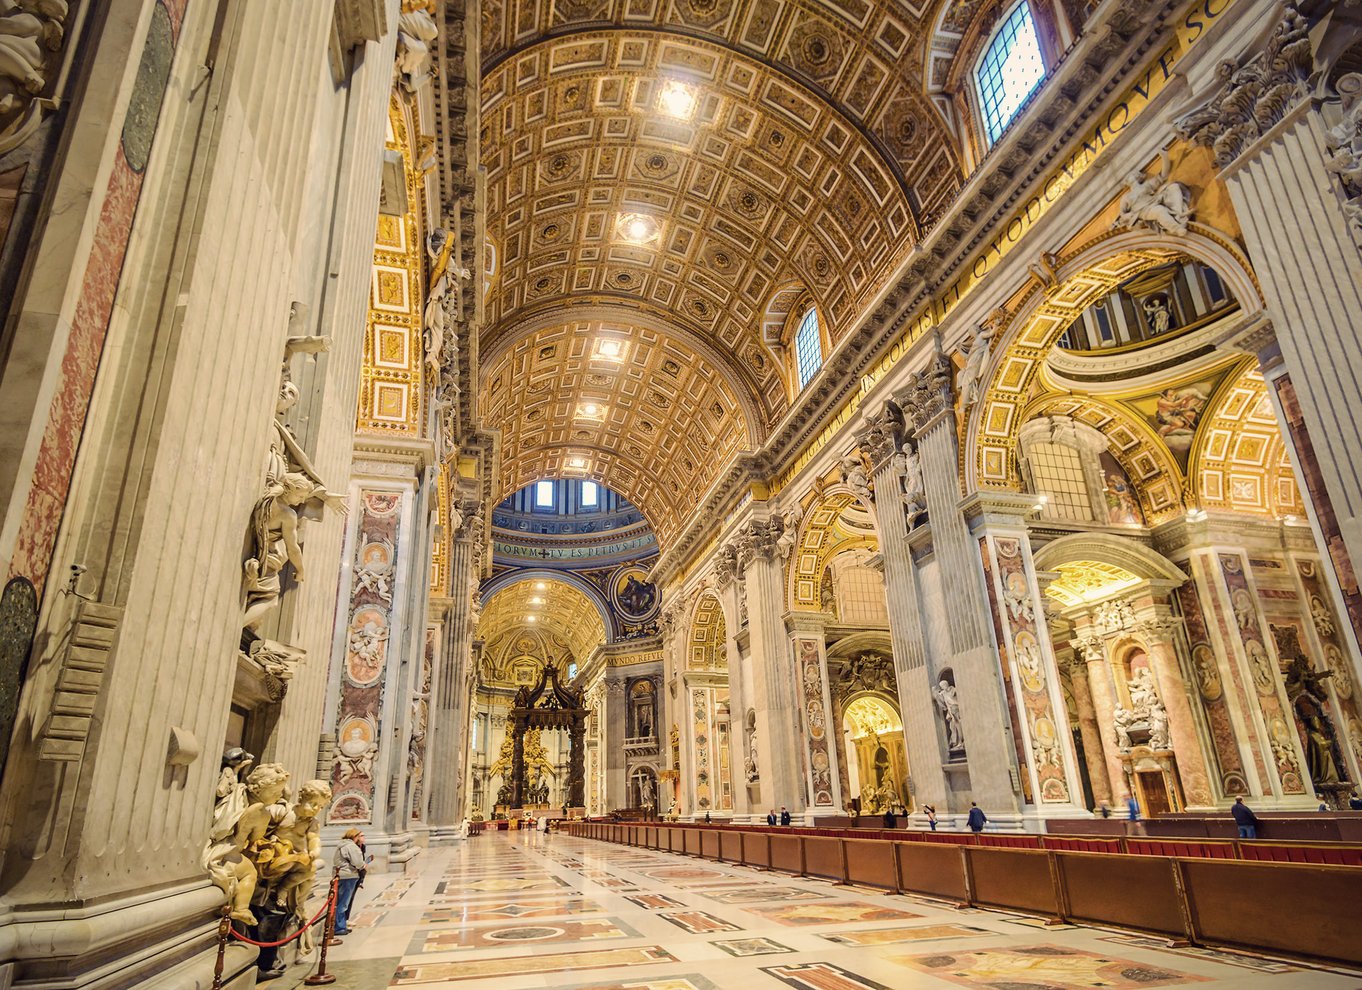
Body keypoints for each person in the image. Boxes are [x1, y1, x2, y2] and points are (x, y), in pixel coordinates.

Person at [332, 828, 366, 935]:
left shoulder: (342, 845)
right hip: (348, 875)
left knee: (340, 901)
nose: (362, 838)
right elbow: (358, 863)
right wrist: (363, 865)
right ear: (355, 836)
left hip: (341, 875)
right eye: (360, 836)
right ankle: (339, 927)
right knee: (343, 903)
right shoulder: (351, 847)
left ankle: (340, 925)